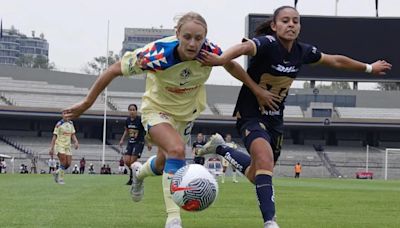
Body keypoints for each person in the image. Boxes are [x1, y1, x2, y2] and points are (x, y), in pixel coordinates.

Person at [63, 12, 274, 228]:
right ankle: (173, 219)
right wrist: (87, 102)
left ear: (205, 37)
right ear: (178, 34)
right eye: (187, 37)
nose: (193, 43)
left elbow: (230, 65)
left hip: (186, 114)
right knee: (177, 151)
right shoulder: (157, 54)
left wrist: (256, 90)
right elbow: (114, 69)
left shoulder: (209, 52)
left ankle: (139, 172)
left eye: (198, 38)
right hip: (156, 110)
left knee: (165, 161)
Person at [197, 6, 392, 228]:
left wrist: (369, 68)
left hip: (275, 120)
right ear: (274, 25)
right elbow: (243, 47)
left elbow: (335, 61)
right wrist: (223, 61)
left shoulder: (302, 52)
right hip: (251, 114)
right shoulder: (267, 44)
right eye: (285, 20)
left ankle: (221, 148)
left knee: (258, 172)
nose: (291, 25)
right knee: (265, 161)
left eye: (296, 21)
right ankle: (270, 222)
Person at [119, 104, 151, 185]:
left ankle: (132, 179)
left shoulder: (140, 120)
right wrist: (122, 139)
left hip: (139, 142)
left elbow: (145, 132)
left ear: (136, 111)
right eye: (130, 110)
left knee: (133, 162)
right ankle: (138, 174)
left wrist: (148, 143)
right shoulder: (127, 120)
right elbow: (126, 130)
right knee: (126, 161)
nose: (132, 111)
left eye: (134, 110)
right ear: (128, 111)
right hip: (130, 142)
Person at [49, 112, 79, 184]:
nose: (66, 116)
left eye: (67, 114)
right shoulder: (59, 124)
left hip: (67, 146)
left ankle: (56, 172)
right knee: (63, 162)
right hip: (59, 145)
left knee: (68, 164)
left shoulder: (71, 123)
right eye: (64, 114)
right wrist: (51, 148)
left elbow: (72, 134)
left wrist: (76, 141)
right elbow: (54, 136)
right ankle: (61, 179)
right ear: (62, 115)